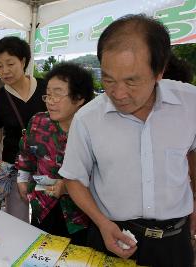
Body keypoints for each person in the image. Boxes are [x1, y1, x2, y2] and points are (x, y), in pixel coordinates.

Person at [59, 14, 196, 266]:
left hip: (175, 242)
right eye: (108, 79)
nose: (118, 93)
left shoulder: (190, 104)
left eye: (131, 81)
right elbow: (73, 178)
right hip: (113, 234)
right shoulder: (88, 118)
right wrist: (101, 222)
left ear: (159, 71)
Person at [0, 36, 47, 222]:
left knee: (46, 220)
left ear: (23, 61)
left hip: (47, 166)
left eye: (10, 64)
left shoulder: (45, 88)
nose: (5, 71)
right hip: (15, 165)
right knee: (17, 218)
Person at [16, 62, 93, 243]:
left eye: (57, 95)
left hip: (80, 215)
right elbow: (26, 153)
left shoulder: (92, 131)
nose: (50, 101)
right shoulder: (38, 122)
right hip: (43, 206)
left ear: (79, 98)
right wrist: (21, 179)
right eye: (48, 94)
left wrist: (67, 187)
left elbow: (102, 175)